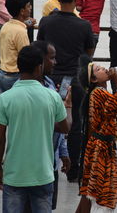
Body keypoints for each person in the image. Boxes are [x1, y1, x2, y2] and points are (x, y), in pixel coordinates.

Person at [0, 45, 71, 213]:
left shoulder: (6, 98)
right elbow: (65, 128)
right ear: (39, 67)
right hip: (43, 174)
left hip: (14, 174)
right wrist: (68, 106)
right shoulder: (52, 96)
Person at [37, 0, 94, 182]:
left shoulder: (45, 22)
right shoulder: (84, 25)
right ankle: (74, 170)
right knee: (76, 123)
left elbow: (40, 48)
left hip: (50, 80)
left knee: (47, 122)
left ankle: (46, 163)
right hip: (75, 80)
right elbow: (88, 53)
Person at [75, 57, 117, 213]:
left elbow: (106, 112)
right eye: (98, 69)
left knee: (89, 190)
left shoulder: (99, 93)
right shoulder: (99, 93)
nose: (104, 69)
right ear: (93, 79)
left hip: (98, 146)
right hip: (101, 149)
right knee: (95, 190)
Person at [31, 40, 71, 211]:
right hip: (29, 165)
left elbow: (59, 130)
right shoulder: (18, 92)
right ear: (40, 61)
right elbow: (63, 126)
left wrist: (63, 153)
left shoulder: (50, 88)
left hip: (50, 163)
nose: (55, 63)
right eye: (51, 58)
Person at [0, 0, 31, 93]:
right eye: (28, 6)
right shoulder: (20, 32)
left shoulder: (5, 26)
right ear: (22, 11)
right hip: (14, 77)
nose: (31, 8)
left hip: (2, 74)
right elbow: (26, 57)